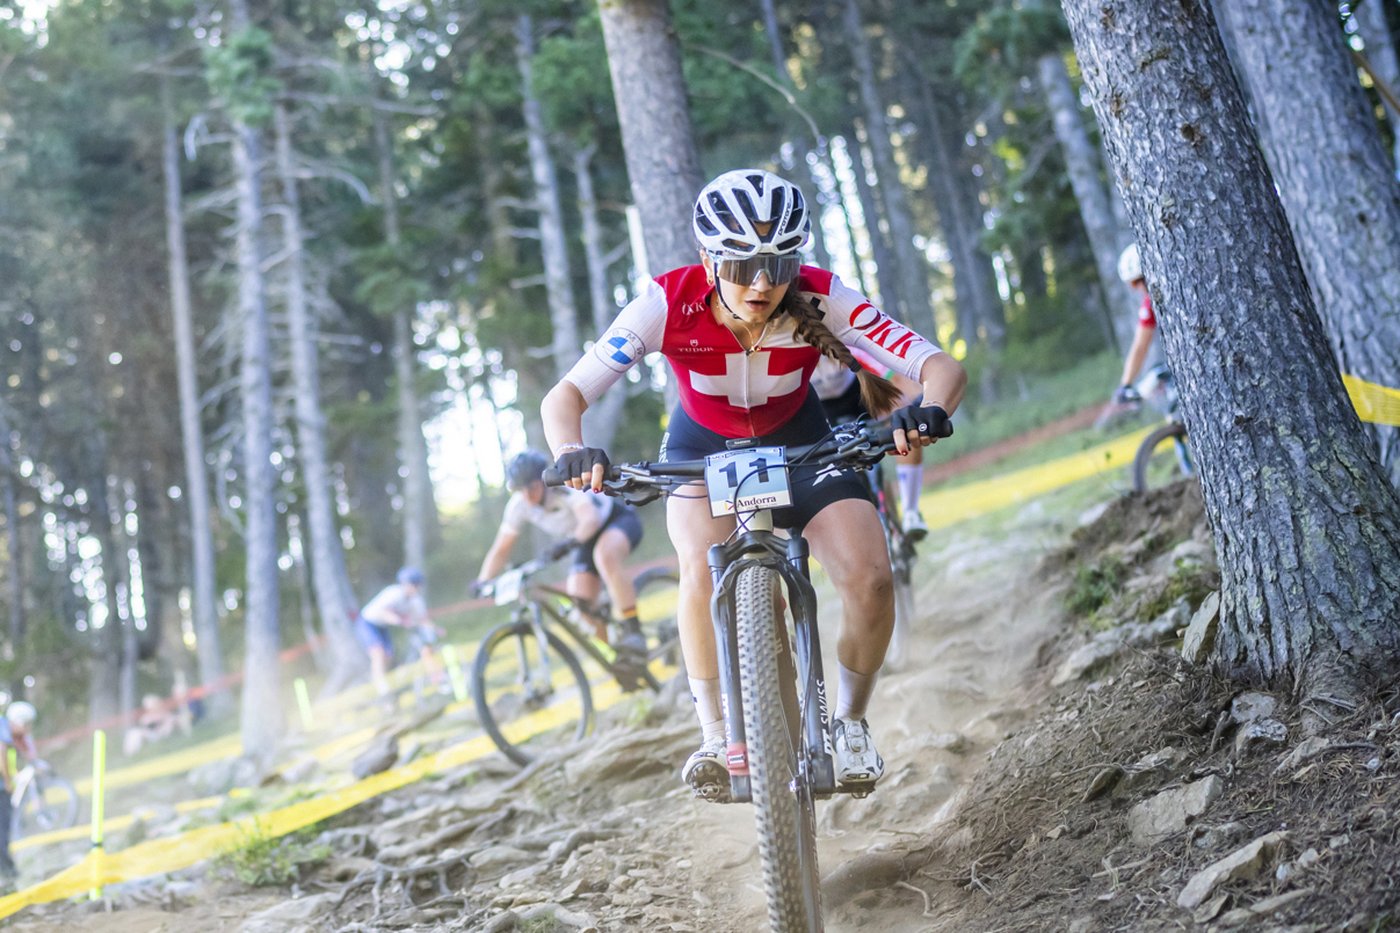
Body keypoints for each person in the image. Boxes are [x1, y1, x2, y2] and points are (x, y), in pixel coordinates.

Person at [540, 168, 966, 799]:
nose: (763, 283)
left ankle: (848, 722)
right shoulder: (665, 302)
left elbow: (938, 366)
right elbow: (567, 394)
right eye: (741, 266)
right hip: (701, 445)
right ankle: (716, 734)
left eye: (779, 263)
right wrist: (572, 450)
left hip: (800, 440)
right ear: (709, 259)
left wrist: (928, 411)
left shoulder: (822, 296)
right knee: (697, 565)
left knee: (871, 577)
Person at [474, 451, 648, 663]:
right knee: (581, 606)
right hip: (581, 540)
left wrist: (568, 544)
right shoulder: (518, 506)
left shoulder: (564, 486)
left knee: (604, 556)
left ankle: (634, 630)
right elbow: (501, 549)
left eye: (532, 487)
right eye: (521, 490)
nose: (528, 496)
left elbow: (590, 520)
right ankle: (622, 658)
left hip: (614, 522)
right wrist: (483, 580)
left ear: (543, 480)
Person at [812, 349, 929, 539]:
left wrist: (923, 405)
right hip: (822, 408)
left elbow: (894, 378)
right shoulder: (794, 358)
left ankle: (911, 512)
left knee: (904, 424)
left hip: (859, 396)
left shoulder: (841, 346)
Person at [357, 567, 445, 700]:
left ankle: (386, 683)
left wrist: (435, 628)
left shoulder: (415, 601)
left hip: (383, 626)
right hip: (368, 623)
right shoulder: (393, 593)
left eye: (417, 585)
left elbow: (422, 619)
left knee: (388, 657)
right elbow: (382, 612)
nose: (415, 588)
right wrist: (400, 620)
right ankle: (381, 688)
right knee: (378, 654)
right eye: (412, 585)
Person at [1111, 243, 1157, 404]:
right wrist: (1126, 383)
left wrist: (1126, 384)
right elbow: (1140, 344)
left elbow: (1140, 346)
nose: (1134, 288)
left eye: (1136, 282)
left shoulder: (1151, 303)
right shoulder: (1150, 303)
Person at [0, 701, 39, 882]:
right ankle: (8, 873)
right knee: (2, 830)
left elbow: (26, 751)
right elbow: (1, 753)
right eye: (28, 724)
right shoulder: (3, 726)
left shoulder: (11, 732)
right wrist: (7, 782)